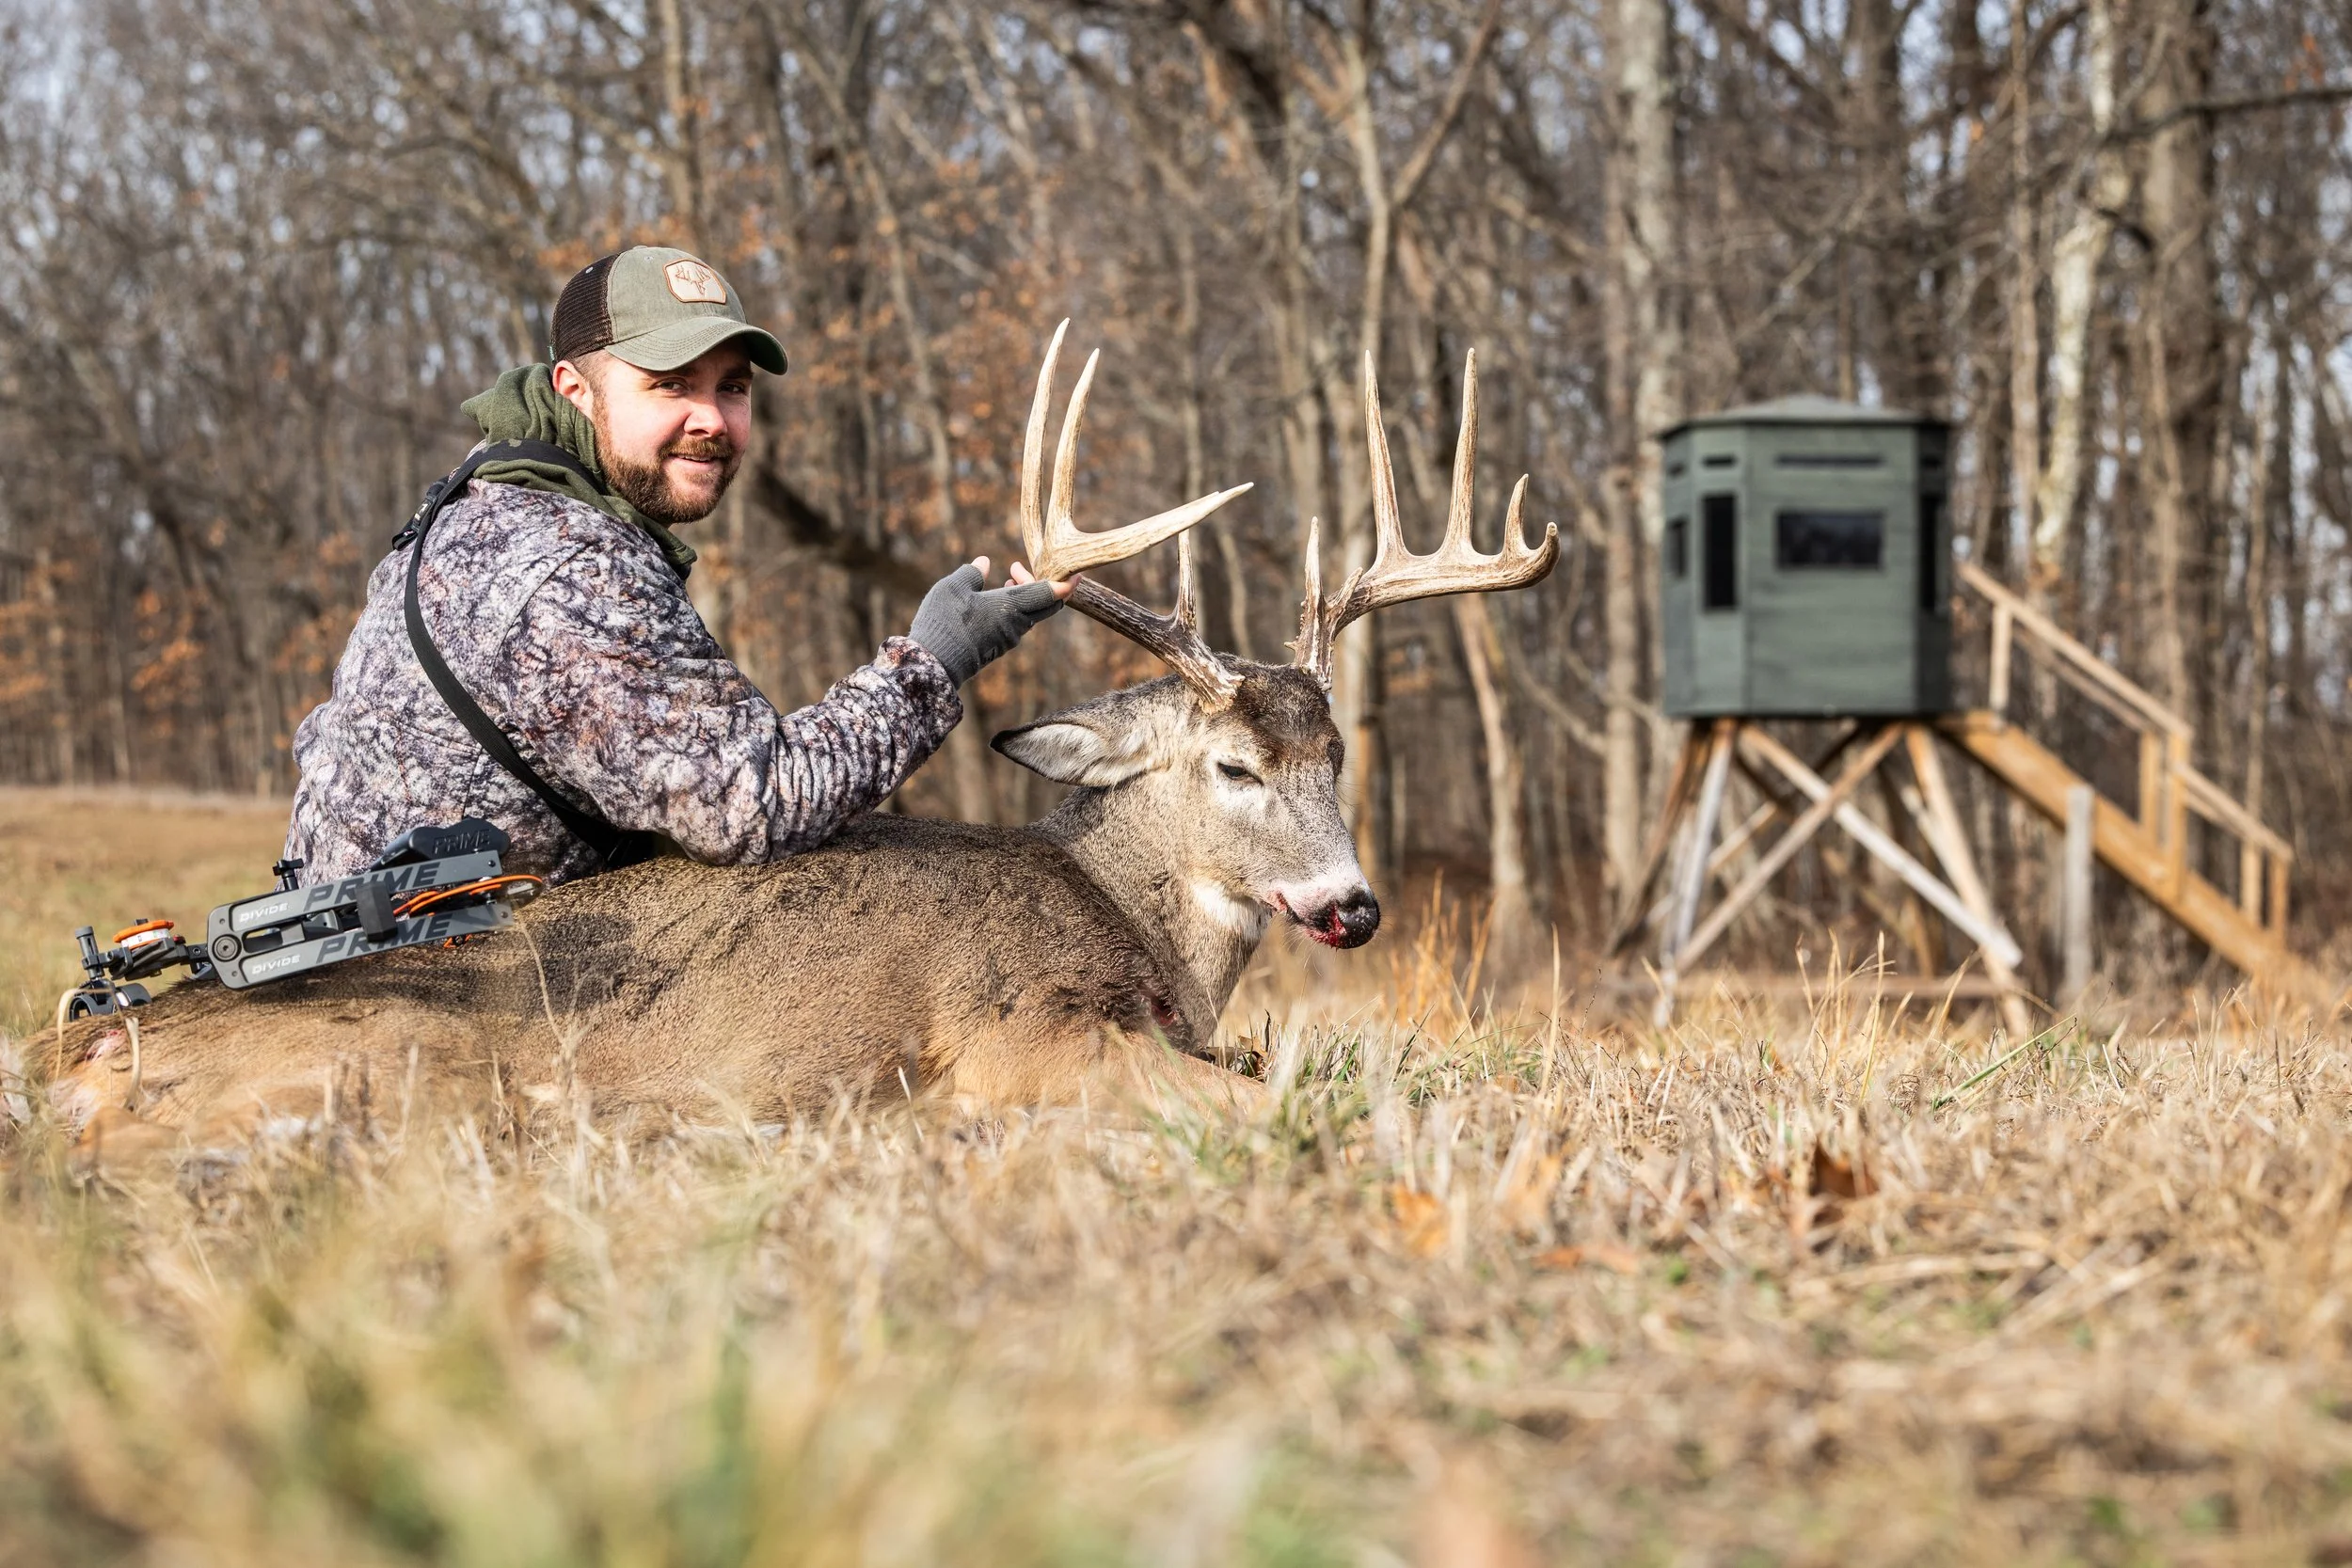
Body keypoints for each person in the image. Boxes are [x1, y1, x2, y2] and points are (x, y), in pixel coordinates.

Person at [284, 245, 1067, 885]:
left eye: (732, 387)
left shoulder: (493, 496)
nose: (712, 420)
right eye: (670, 385)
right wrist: (934, 657)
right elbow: (754, 805)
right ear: (576, 390)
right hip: (434, 995)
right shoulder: (568, 568)